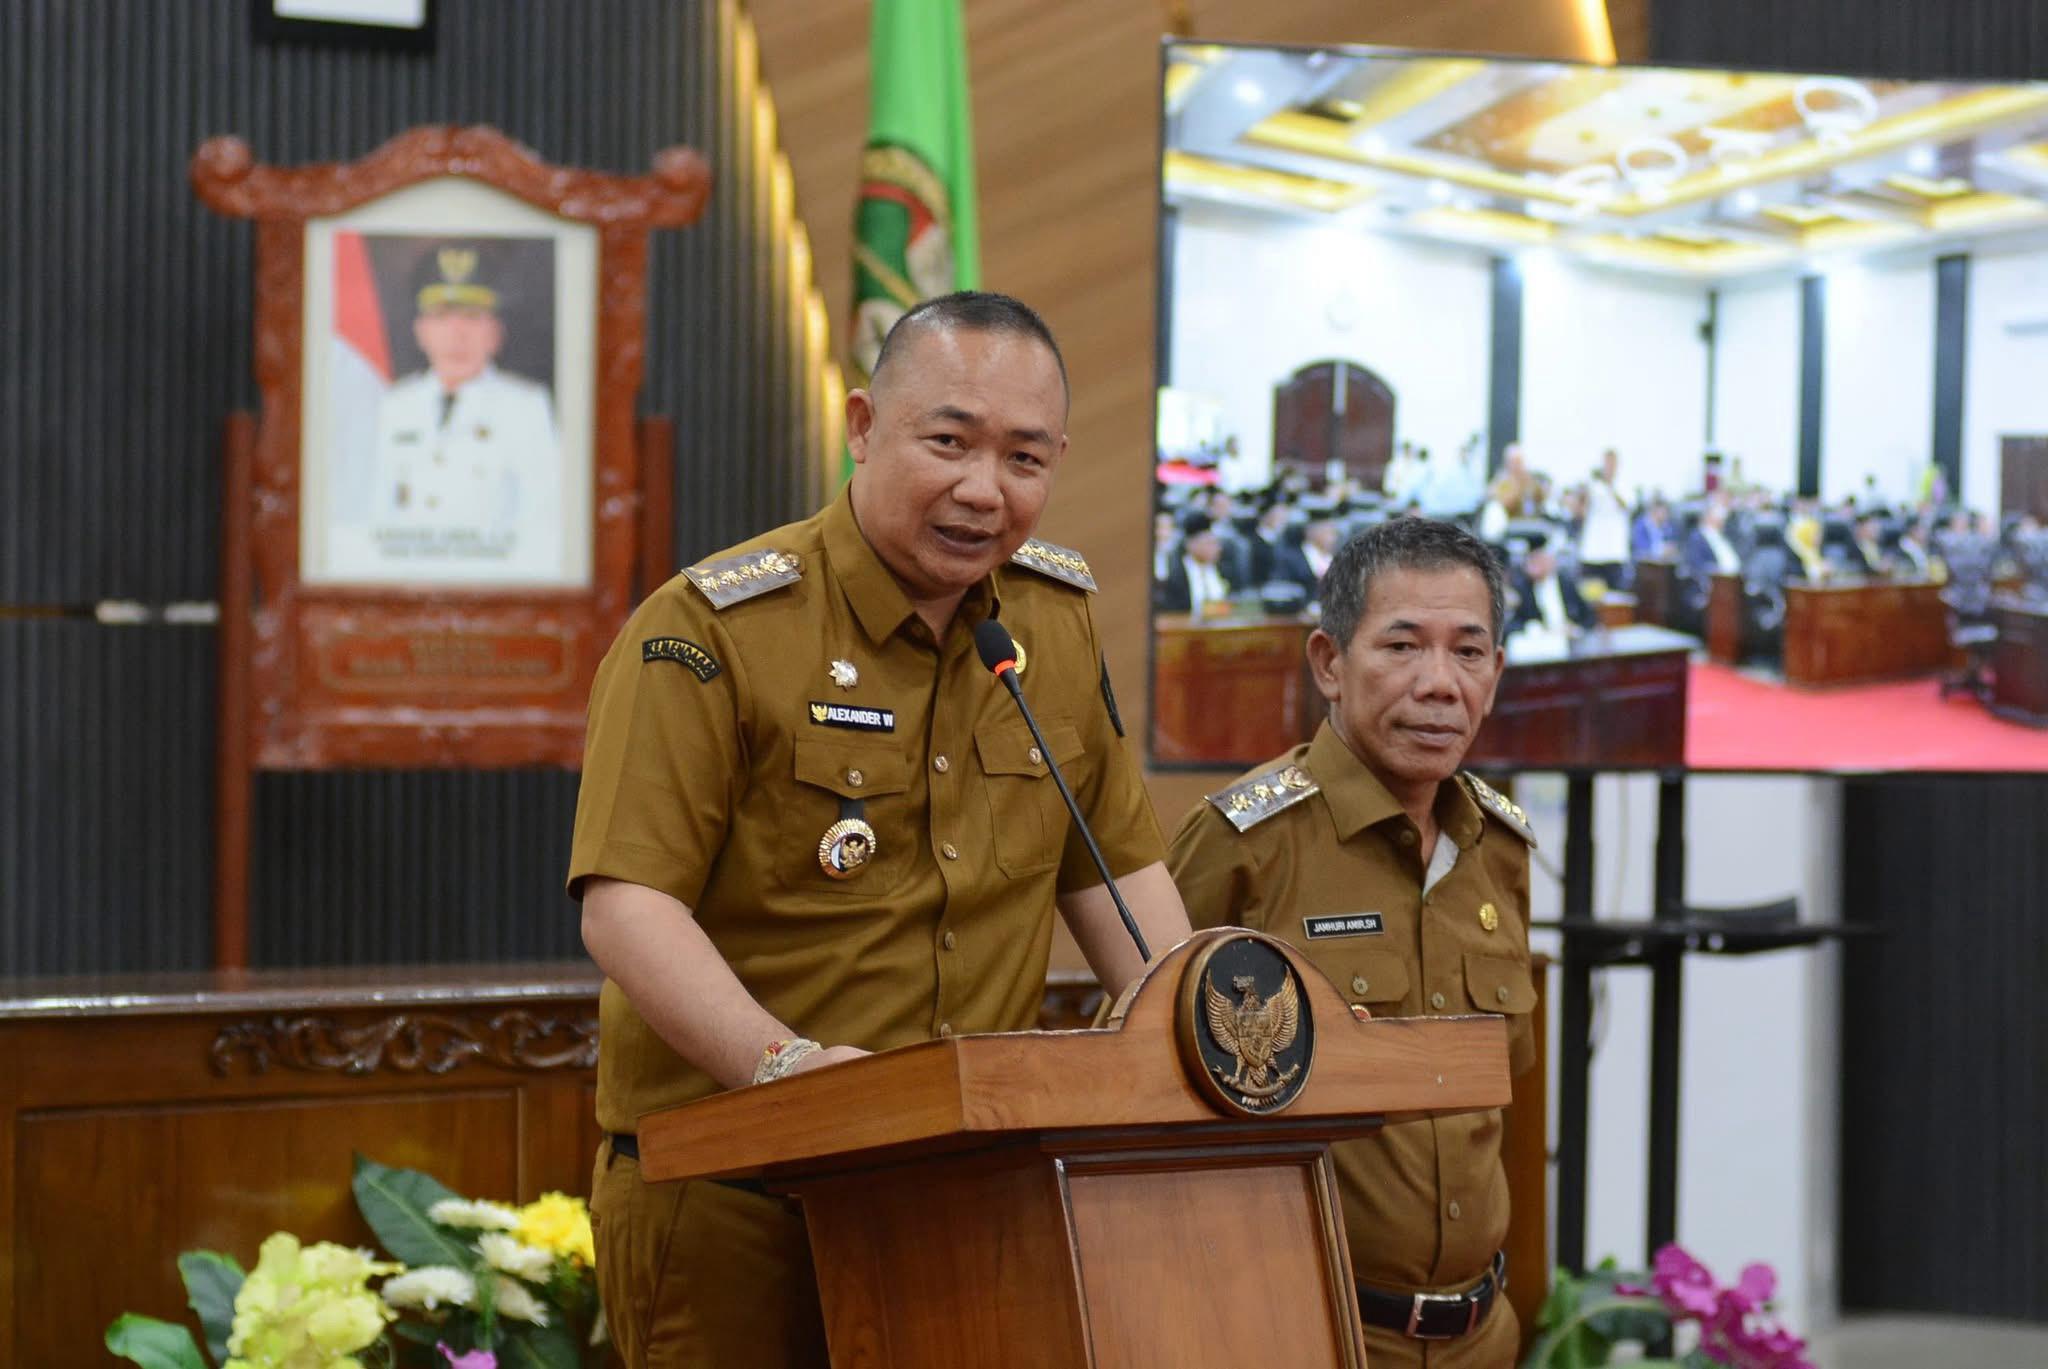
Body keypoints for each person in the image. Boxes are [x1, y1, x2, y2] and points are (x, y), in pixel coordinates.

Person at [568, 291, 1193, 1368]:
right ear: (862, 427)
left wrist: (1195, 1040)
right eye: (946, 441)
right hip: (739, 1190)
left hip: (960, 1183)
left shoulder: (1048, 621)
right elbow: (628, 904)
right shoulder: (710, 629)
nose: (982, 490)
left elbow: (1115, 872)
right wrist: (786, 1068)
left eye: (1023, 459)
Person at [1167, 517, 1536, 1367]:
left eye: (1469, 653)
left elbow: (1501, 1102)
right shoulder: (1246, 844)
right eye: (1402, 646)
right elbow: (1137, 1097)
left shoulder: (1500, 852)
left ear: (1497, 671)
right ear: (1330, 663)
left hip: (1480, 1336)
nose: (1440, 684)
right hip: (1299, 1329)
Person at [372, 244, 562, 578]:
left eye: (472, 318)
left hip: (495, 587)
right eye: (442, 317)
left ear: (494, 334)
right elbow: (372, 516)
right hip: (402, 586)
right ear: (421, 331)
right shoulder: (393, 407)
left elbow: (543, 526)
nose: (457, 334)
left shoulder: (527, 408)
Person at [1506, 537, 1596, 641]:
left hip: (1570, 639)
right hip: (1540, 642)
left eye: (1539, 561)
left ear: (1551, 562)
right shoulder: (1522, 588)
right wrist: (1535, 629)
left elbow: (1589, 617)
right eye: (1531, 561)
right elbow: (1512, 624)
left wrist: (1577, 629)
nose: (1533, 566)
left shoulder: (1567, 584)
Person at [1158, 511, 1234, 614]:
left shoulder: (1225, 571)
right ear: (1191, 545)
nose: (1218, 548)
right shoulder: (1175, 575)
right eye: (1209, 543)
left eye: (1216, 543)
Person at [1579, 448, 1631, 588]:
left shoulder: (1625, 483)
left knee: (1615, 596)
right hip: (1593, 550)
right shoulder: (1594, 484)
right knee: (1590, 594)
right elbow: (1582, 511)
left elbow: (1626, 506)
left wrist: (1610, 486)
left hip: (1614, 550)